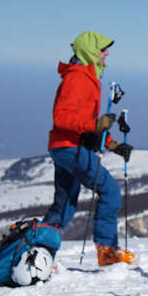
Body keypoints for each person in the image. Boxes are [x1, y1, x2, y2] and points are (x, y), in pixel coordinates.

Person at [44, 31, 136, 266]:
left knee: (64, 204)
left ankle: (40, 254)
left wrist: (114, 145)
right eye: (103, 49)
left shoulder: (87, 78)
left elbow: (88, 126)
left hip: (65, 146)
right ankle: (106, 250)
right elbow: (61, 117)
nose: (107, 53)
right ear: (91, 52)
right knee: (110, 191)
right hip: (71, 147)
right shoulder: (77, 78)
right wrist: (95, 125)